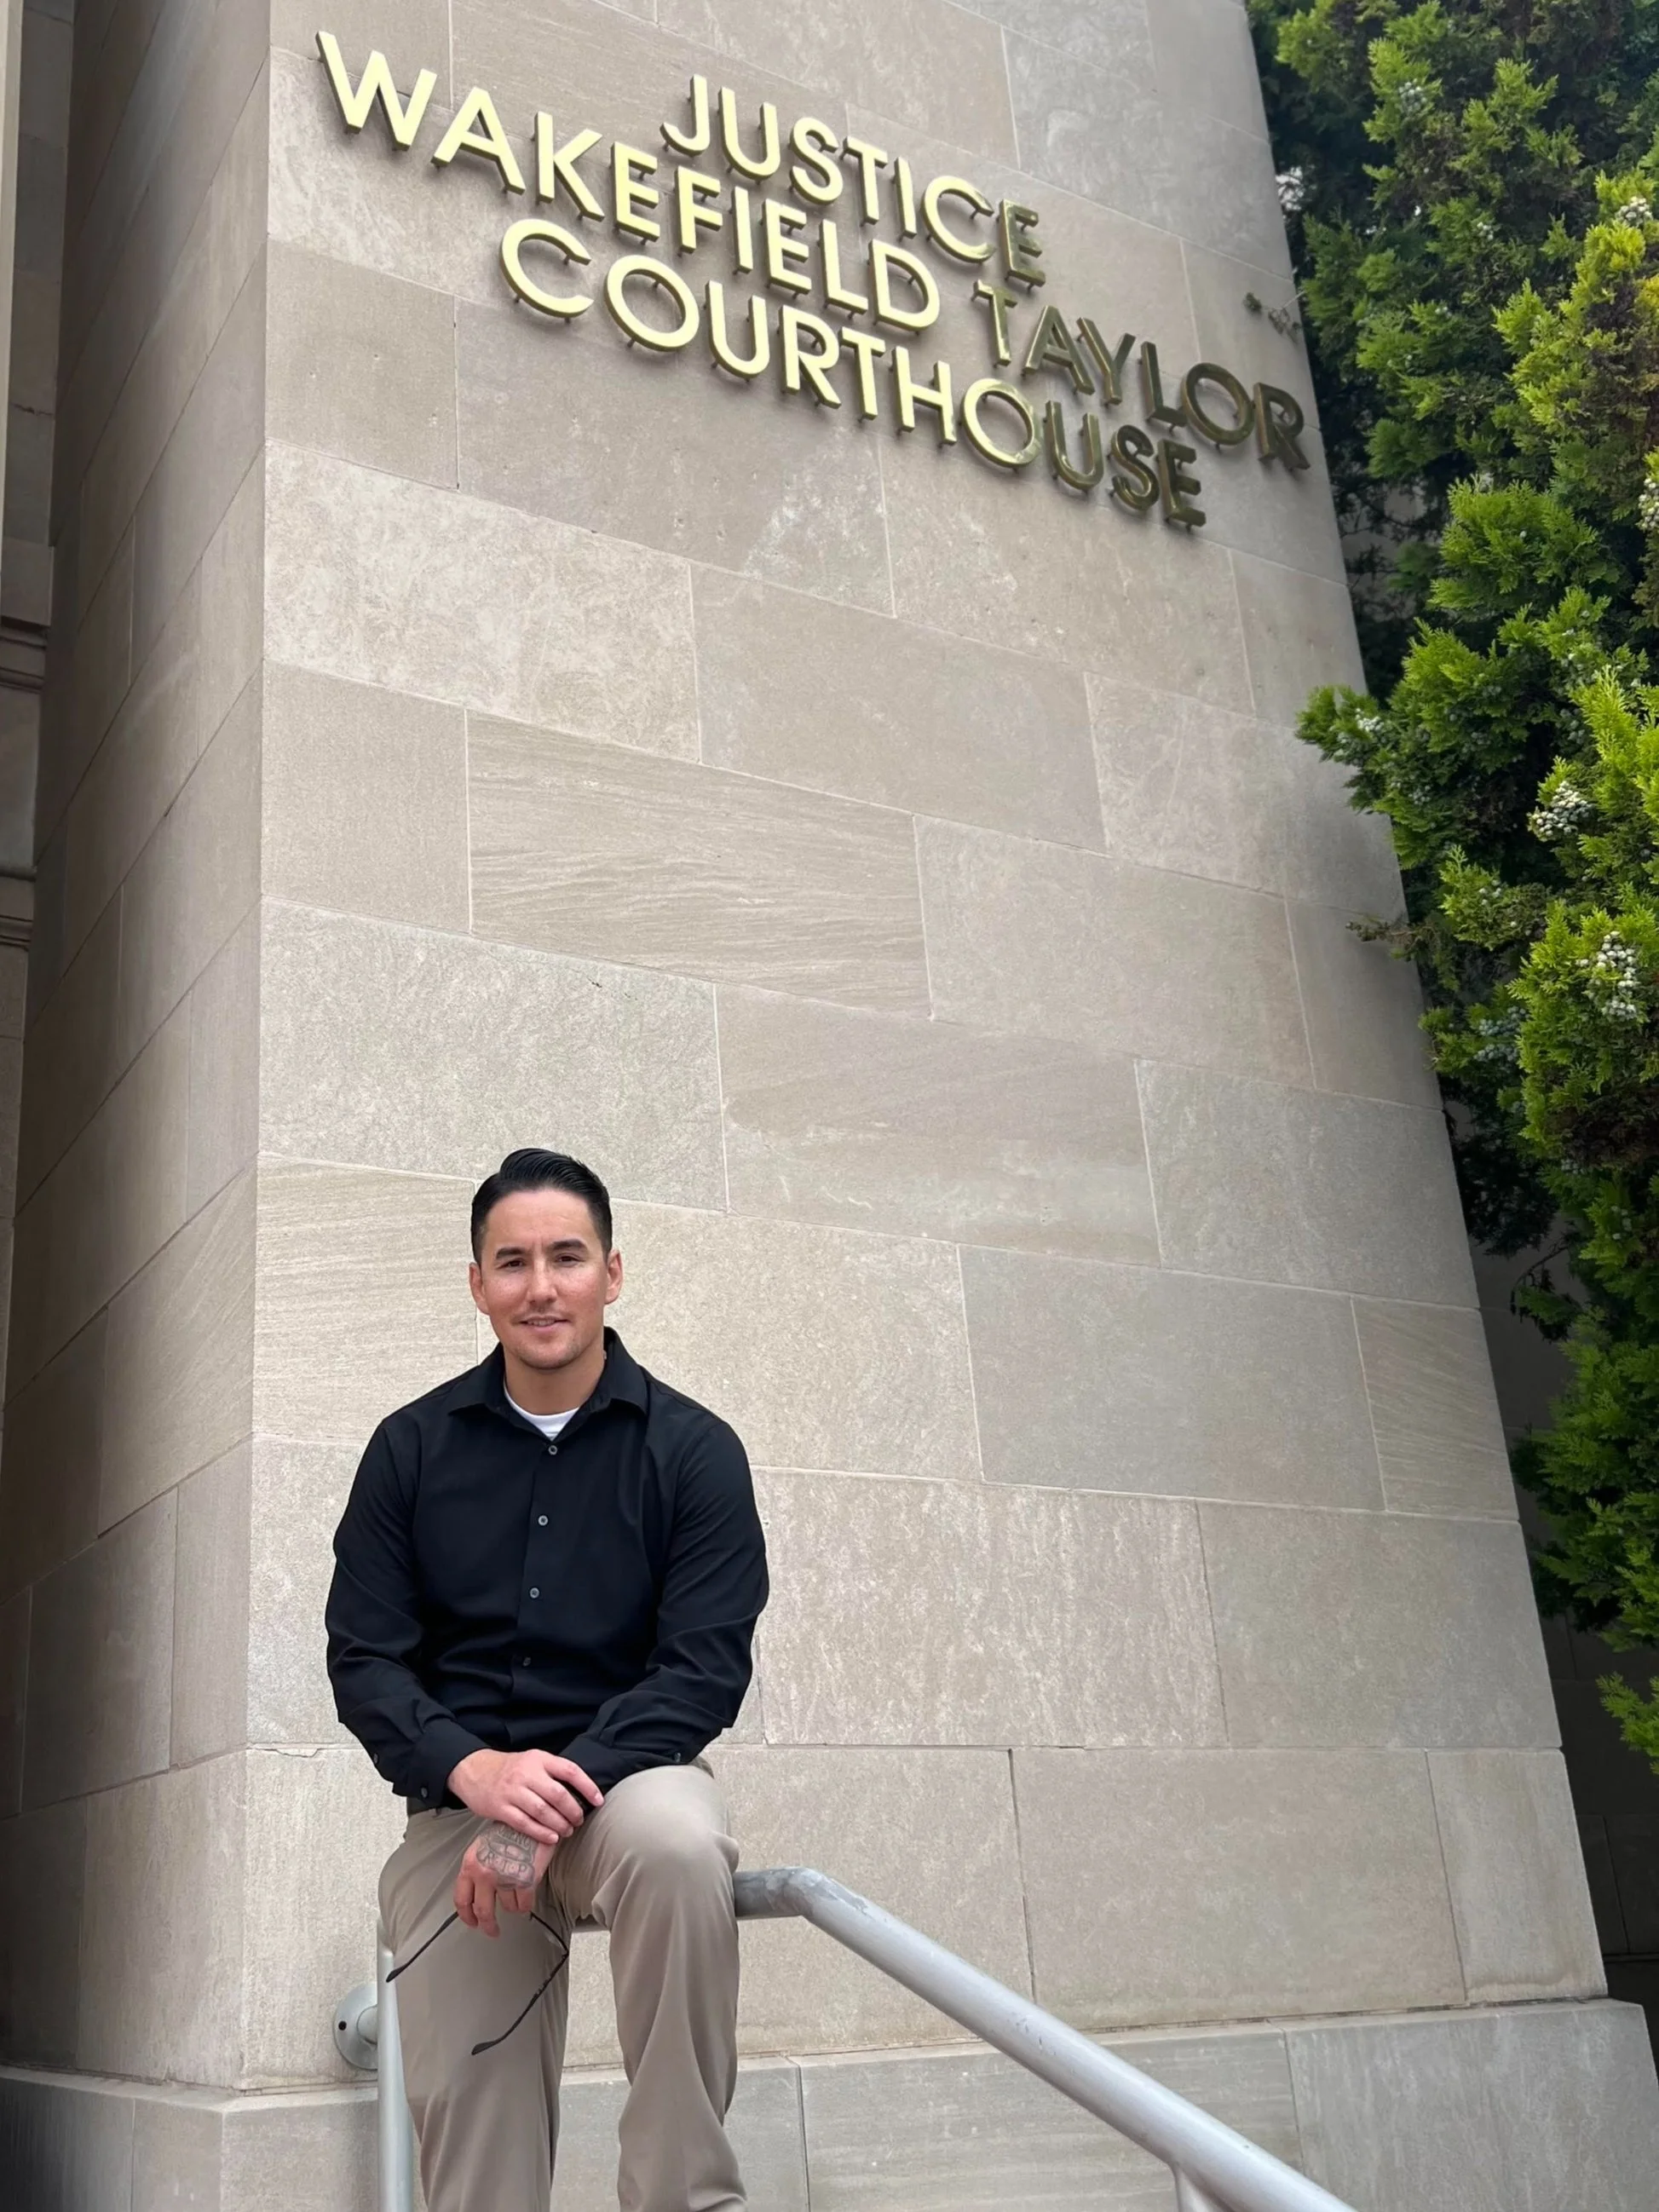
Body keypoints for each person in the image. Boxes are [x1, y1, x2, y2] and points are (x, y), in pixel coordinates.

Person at [325, 1148, 769, 2212]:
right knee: (476, 2161)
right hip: (460, 1812)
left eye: (566, 1256)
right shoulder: (409, 1449)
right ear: (477, 1284)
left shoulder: (696, 1452)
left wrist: (551, 1795)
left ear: (612, 1272)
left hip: (630, 1781)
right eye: (511, 1260)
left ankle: (681, 2196)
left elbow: (702, 1669)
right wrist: (477, 1773)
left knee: (678, 1843)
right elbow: (364, 1658)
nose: (541, 1285)